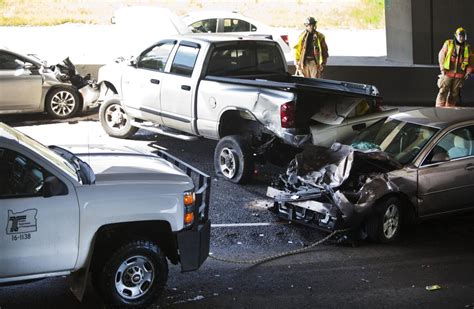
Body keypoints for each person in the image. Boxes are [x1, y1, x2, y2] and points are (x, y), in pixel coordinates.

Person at [436, 27, 473, 107]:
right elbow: (441, 55)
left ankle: (450, 111)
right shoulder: (449, 43)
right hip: (447, 73)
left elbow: (470, 62)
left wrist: (468, 72)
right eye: (460, 36)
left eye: (463, 36)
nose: (461, 38)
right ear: (456, 35)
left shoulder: (467, 47)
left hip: (459, 75)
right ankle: (439, 109)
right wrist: (442, 68)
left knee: (454, 94)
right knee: (443, 91)